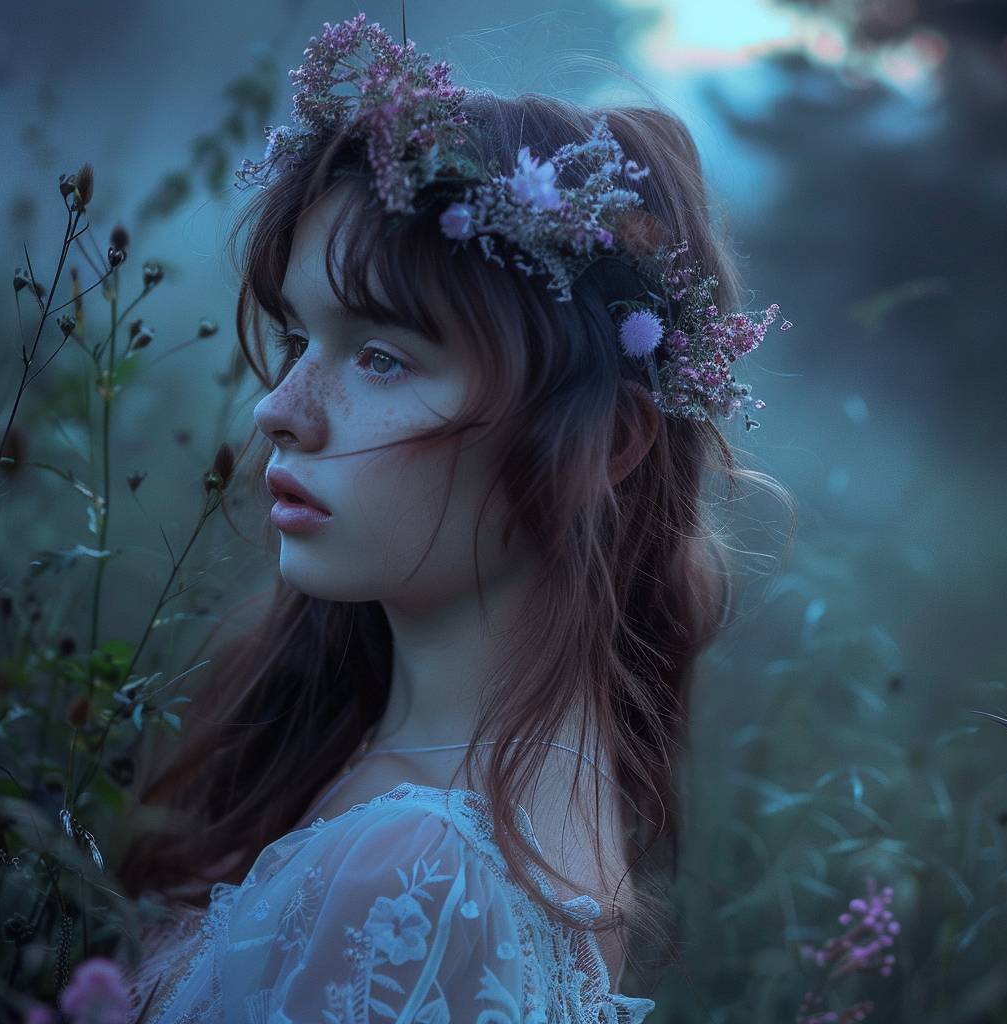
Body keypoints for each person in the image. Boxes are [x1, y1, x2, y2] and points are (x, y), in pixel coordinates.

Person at [113, 12, 792, 1023]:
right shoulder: (445, 772)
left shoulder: (416, 871)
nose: (280, 408)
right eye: (299, 337)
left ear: (604, 447)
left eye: (382, 357)